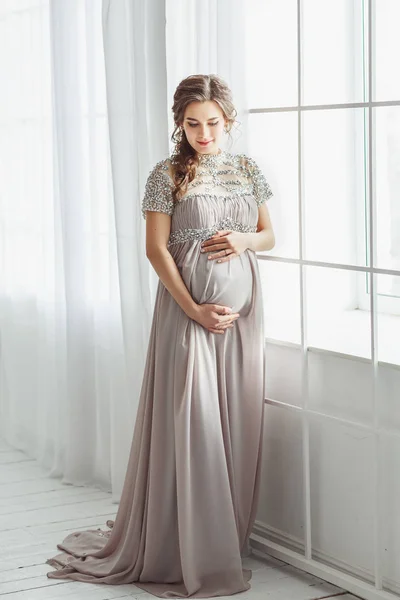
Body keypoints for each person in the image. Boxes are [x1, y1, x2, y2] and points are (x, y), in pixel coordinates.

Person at [46, 73, 275, 598]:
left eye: (212, 123)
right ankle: (184, 544)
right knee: (194, 425)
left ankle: (225, 539)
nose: (203, 133)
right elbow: (156, 250)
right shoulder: (166, 174)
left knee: (236, 422)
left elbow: (270, 234)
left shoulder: (248, 170)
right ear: (180, 123)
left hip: (243, 322)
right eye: (192, 124)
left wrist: (243, 238)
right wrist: (195, 309)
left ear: (228, 120)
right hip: (187, 316)